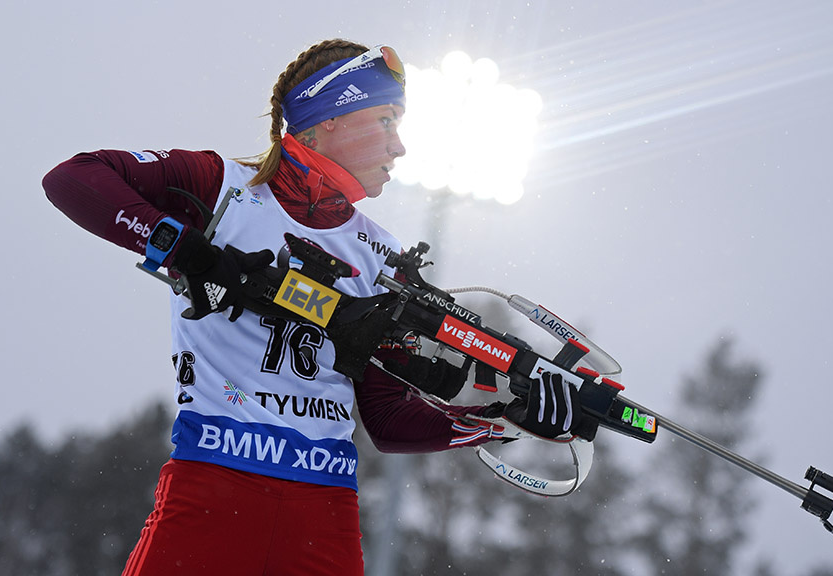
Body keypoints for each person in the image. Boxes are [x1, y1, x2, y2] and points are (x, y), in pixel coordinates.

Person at [43, 38, 585, 576]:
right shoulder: (223, 186)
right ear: (330, 118)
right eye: (386, 121)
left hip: (323, 512)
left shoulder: (381, 255)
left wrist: (503, 418)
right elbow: (73, 178)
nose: (399, 147)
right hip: (211, 488)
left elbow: (386, 418)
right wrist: (187, 250)